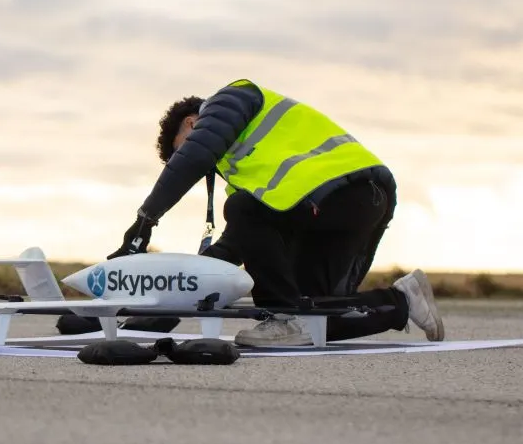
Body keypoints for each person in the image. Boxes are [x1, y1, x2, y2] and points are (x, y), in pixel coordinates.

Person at [106, 78, 445, 347]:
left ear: (192, 122)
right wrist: (176, 301)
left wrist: (145, 220)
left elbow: (197, 155)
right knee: (315, 319)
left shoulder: (231, 99)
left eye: (180, 149)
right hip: (352, 203)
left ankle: (282, 317)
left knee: (241, 210)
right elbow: (234, 246)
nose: (201, 167)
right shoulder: (250, 172)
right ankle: (403, 299)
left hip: (340, 192)